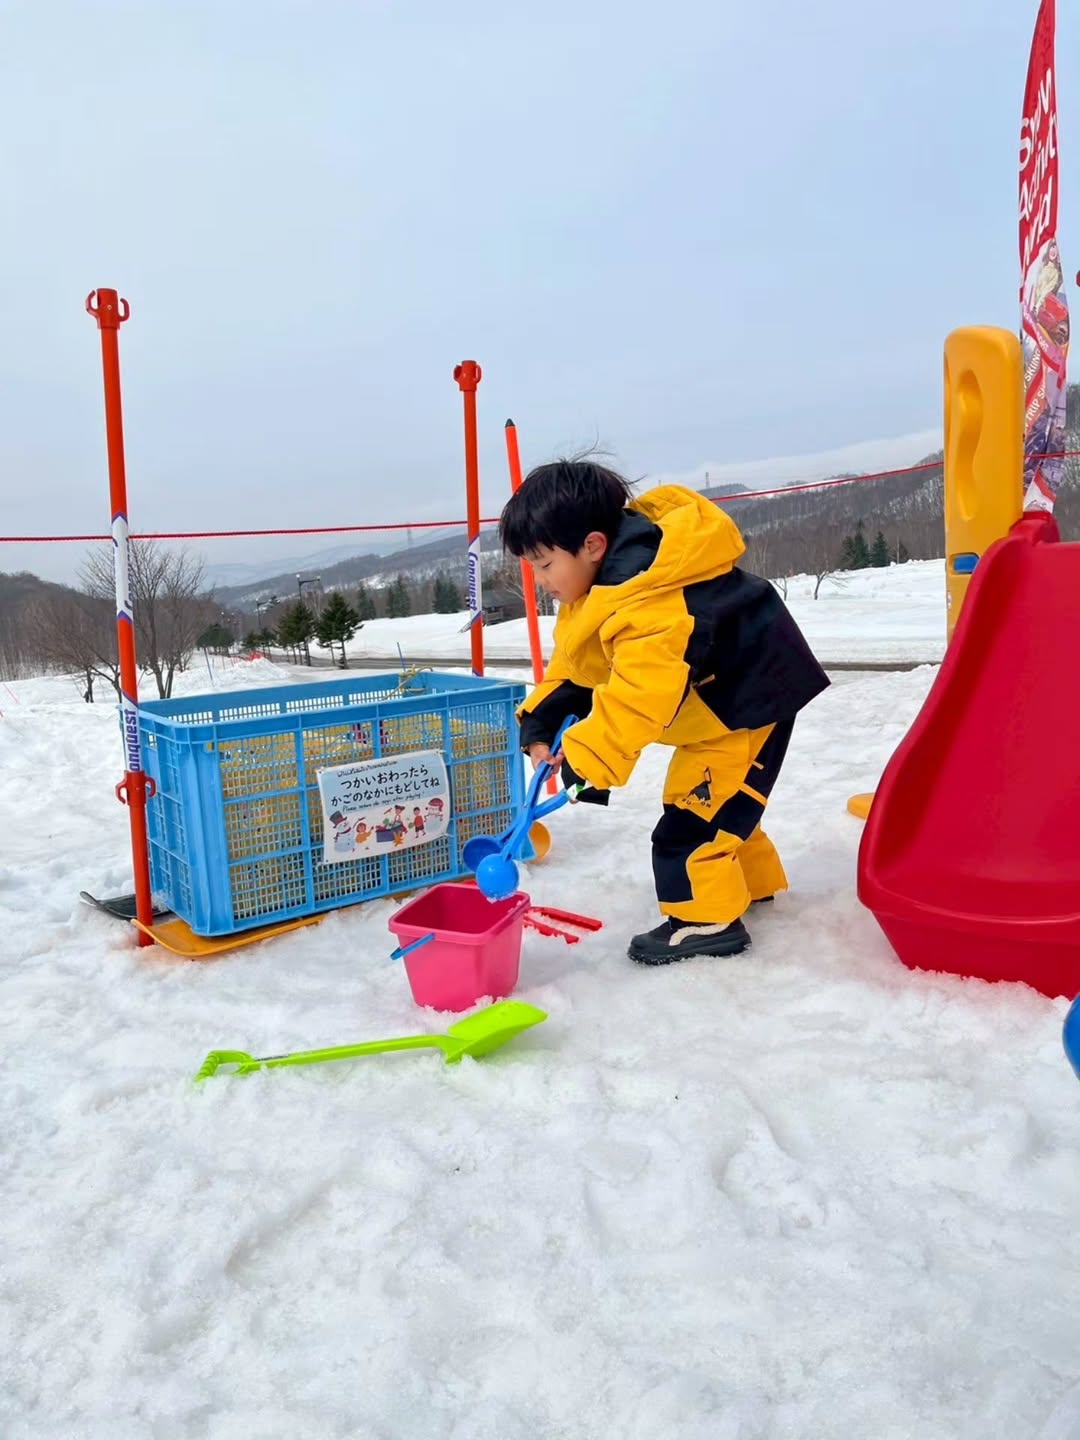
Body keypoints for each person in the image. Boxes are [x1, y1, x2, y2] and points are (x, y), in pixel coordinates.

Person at [499, 459, 829, 964]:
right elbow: (581, 664)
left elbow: (640, 696)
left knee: (694, 818)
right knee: (726, 804)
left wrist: (589, 757)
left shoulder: (651, 603)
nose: (540, 579)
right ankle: (751, 887)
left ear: (592, 545)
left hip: (745, 704)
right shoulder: (602, 588)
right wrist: (543, 717)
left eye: (544, 565)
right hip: (716, 703)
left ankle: (705, 920)